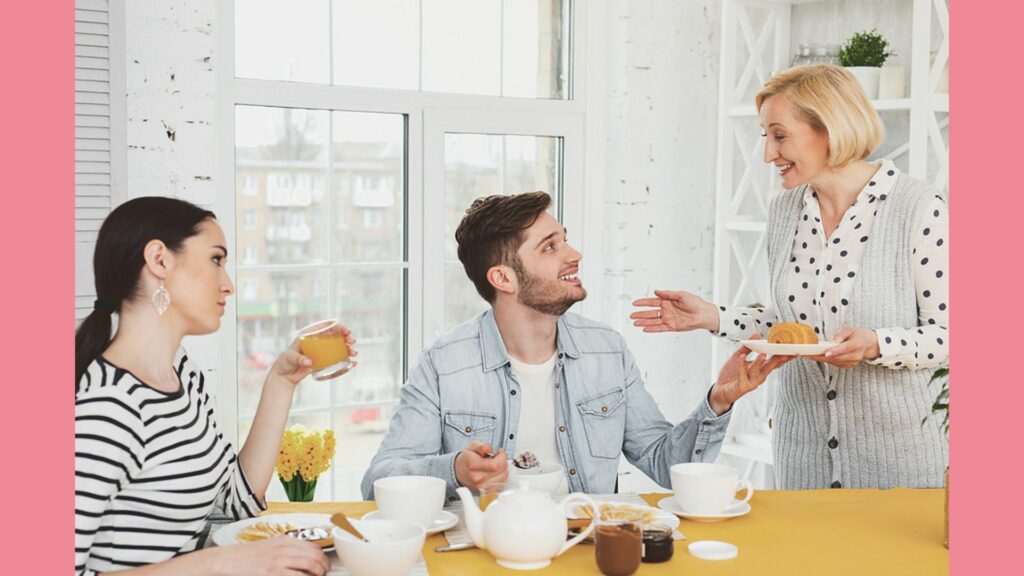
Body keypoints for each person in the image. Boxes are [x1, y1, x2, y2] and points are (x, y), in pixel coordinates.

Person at [631, 65, 949, 490]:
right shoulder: (786, 210)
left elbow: (950, 336)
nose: (768, 154)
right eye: (766, 136)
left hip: (900, 465)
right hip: (804, 459)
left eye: (780, 136)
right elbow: (796, 330)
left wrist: (877, 344)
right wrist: (713, 317)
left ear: (830, 129)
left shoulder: (919, 208)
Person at [361, 192, 790, 501]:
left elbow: (663, 462)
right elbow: (378, 480)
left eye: (564, 239)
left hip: (585, 553)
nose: (575, 254)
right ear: (503, 279)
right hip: (486, 553)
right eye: (551, 247)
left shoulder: (606, 351)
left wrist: (719, 401)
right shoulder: (444, 364)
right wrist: (453, 469)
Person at [75, 197, 355, 576]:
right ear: (159, 260)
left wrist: (281, 381)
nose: (229, 285)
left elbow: (239, 500)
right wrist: (218, 563)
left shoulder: (182, 374)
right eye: (216, 260)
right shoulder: (108, 405)